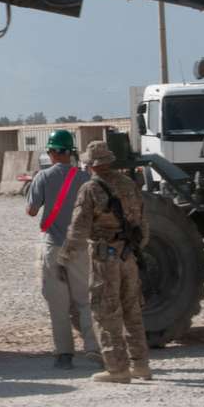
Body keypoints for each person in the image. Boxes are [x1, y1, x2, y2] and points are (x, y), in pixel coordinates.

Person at [59, 140, 150, 384]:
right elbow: (143, 223)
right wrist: (133, 248)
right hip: (128, 254)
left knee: (105, 311)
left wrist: (64, 257)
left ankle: (116, 368)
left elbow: (79, 228)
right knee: (132, 309)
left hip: (104, 256)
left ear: (90, 165)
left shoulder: (90, 189)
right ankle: (140, 364)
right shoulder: (129, 184)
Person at [26, 130, 99, 369]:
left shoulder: (43, 177)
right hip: (78, 246)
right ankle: (94, 348)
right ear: (71, 152)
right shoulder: (84, 178)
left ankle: (64, 355)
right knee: (85, 301)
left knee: (58, 304)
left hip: (52, 247)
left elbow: (32, 211)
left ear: (51, 152)